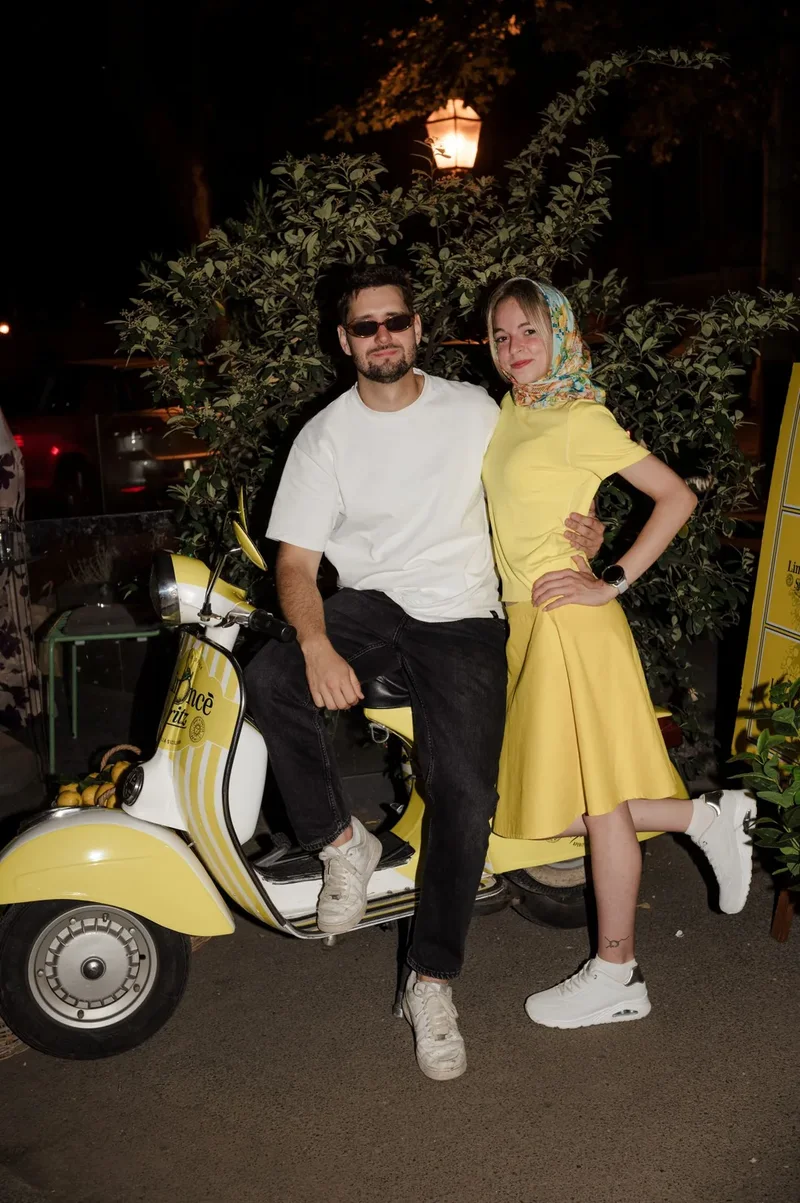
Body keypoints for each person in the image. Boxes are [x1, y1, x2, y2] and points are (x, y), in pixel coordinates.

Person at [245, 264, 604, 1079]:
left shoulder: (474, 411)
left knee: (467, 794)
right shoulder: (325, 437)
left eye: (394, 321)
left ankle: (431, 980)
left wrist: (588, 526)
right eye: (364, 326)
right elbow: (295, 564)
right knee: (270, 677)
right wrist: (316, 644)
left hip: (463, 616)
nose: (382, 337)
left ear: (417, 328)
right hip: (370, 605)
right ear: (345, 342)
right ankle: (342, 843)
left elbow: (541, 474)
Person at [481, 277, 756, 1029]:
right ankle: (701, 818)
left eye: (530, 330)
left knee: (597, 807)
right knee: (544, 803)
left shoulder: (580, 415)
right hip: (526, 625)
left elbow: (677, 496)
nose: (515, 347)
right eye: (502, 335)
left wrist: (612, 579)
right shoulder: (511, 409)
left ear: (561, 332)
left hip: (571, 624)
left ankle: (617, 970)